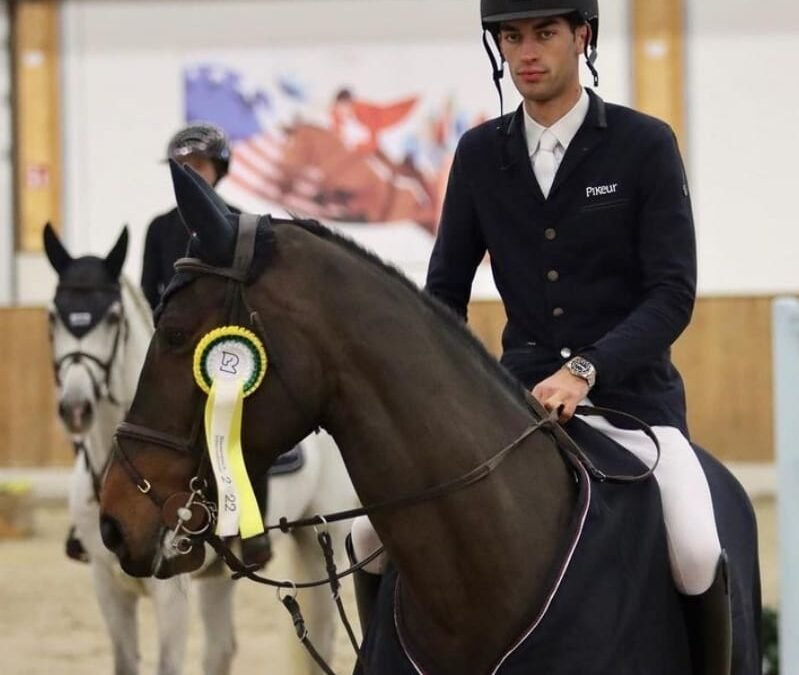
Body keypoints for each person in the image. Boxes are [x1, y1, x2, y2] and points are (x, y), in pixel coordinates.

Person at [350, 2, 732, 672]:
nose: (525, 51)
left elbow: (670, 292)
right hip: (514, 401)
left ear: (581, 35)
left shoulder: (642, 144)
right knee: (365, 535)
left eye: (544, 34)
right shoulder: (477, 154)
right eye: (511, 36)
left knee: (697, 545)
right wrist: (432, 393)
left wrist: (586, 369)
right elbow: (444, 291)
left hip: (631, 402)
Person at [141, 122, 236, 311]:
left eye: (199, 165)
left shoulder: (241, 221)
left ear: (218, 169)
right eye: (182, 165)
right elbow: (147, 295)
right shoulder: (160, 227)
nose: (189, 173)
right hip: (176, 329)